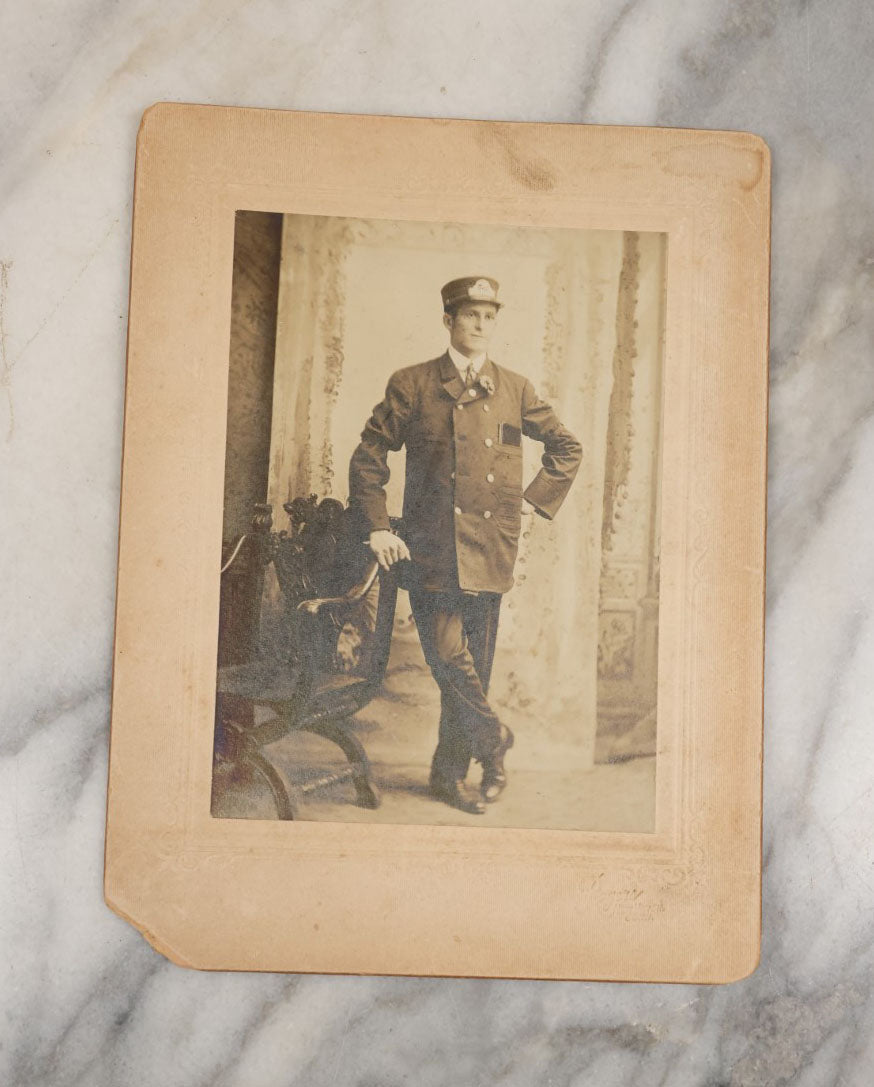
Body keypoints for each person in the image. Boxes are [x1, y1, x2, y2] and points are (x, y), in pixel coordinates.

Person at [348, 276, 582, 814]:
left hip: (491, 549)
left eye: (489, 316)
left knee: (474, 664)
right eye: (470, 314)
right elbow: (369, 454)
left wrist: (530, 500)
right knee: (450, 660)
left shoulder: (515, 388)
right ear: (448, 320)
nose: (480, 324)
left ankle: (449, 774)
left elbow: (567, 447)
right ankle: (495, 742)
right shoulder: (413, 384)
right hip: (430, 550)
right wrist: (379, 526)